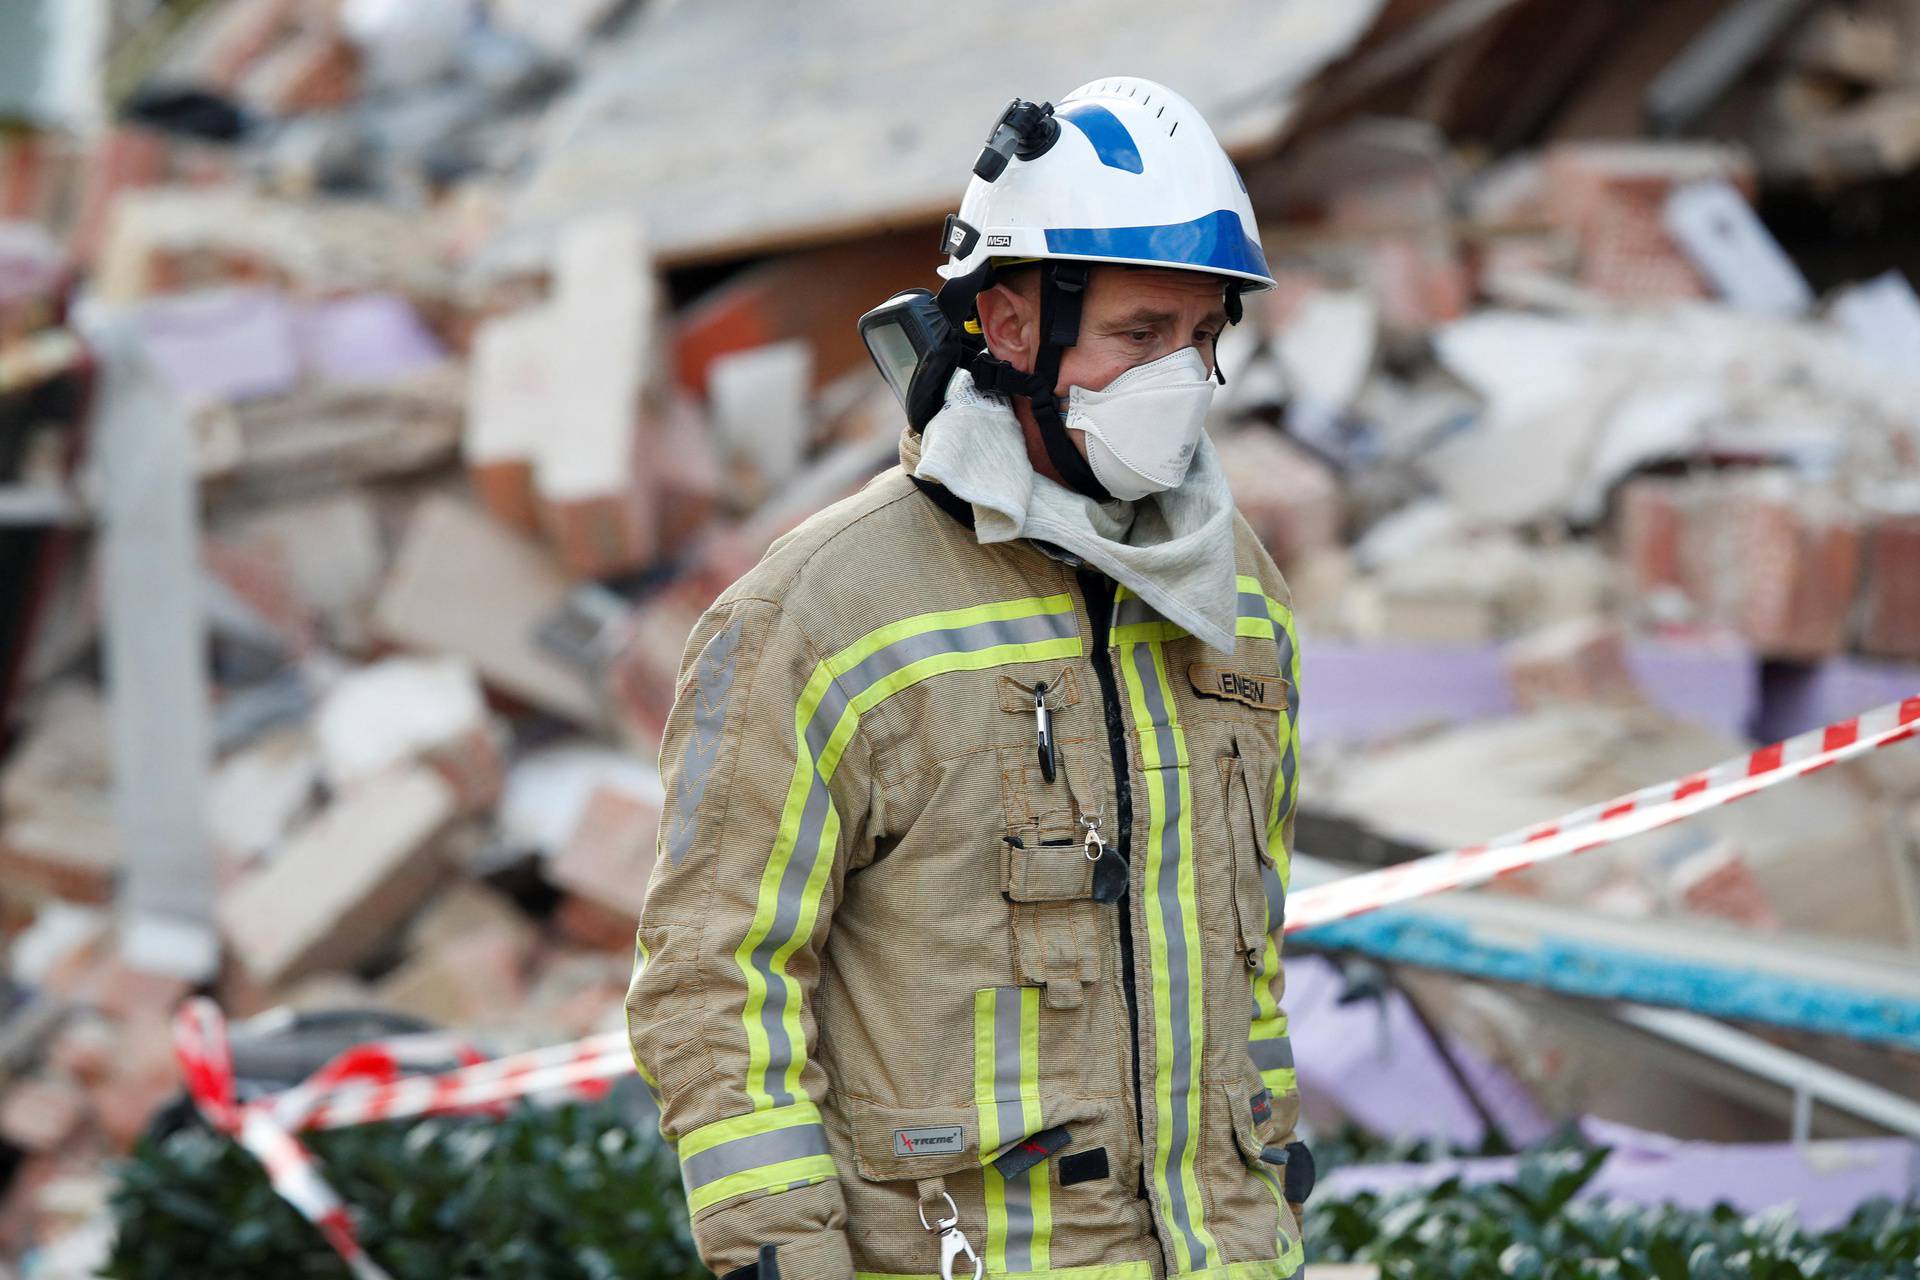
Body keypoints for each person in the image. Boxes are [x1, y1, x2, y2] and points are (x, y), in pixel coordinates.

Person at [627, 77, 1310, 1280]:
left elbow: (1251, 958)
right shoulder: (822, 610)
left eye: (1203, 336)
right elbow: (714, 974)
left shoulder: (1235, 590)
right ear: (1006, 326)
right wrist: (782, 1254)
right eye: (1140, 334)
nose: (1184, 376)